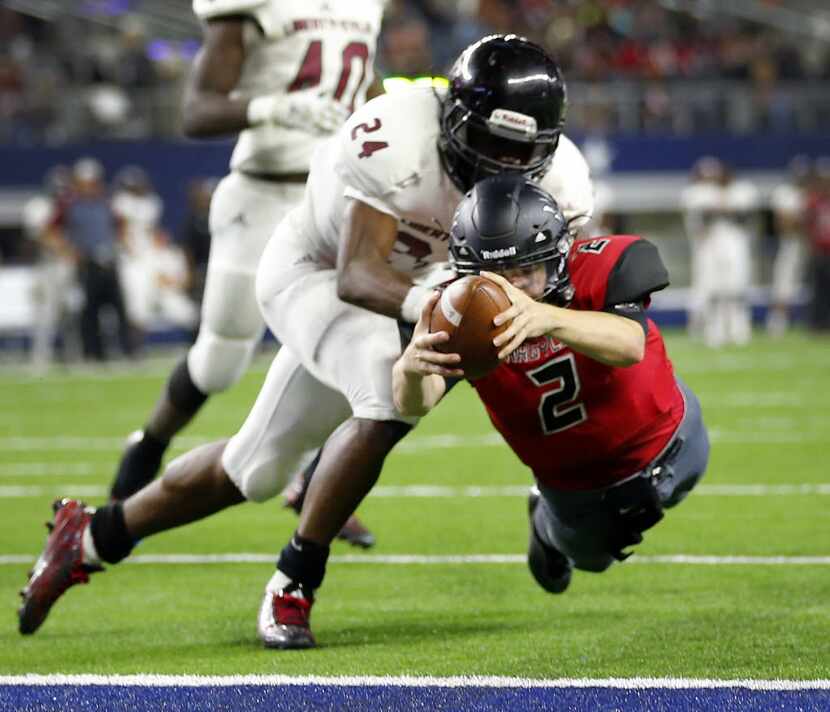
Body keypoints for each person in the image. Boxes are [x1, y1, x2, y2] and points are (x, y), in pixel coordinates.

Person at [18, 35, 594, 648]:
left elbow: (573, 277)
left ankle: (88, 538)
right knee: (387, 395)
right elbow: (358, 273)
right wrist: (438, 307)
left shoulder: (563, 178)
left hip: (412, 286)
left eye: (518, 153)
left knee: (256, 469)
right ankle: (295, 581)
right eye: (489, 144)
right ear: (453, 117)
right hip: (316, 276)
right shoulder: (396, 138)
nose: (500, 167)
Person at [106, 0, 384, 544]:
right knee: (220, 360)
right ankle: (149, 444)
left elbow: (359, 81)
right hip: (261, 194)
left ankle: (311, 481)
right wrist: (272, 109)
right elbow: (197, 111)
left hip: (333, 200)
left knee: (356, 349)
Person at [393, 175, 710, 594]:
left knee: (689, 476)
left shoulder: (604, 265)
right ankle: (543, 524)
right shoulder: (457, 310)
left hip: (672, 436)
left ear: (556, 256)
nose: (513, 287)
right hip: (574, 486)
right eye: (496, 274)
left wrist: (550, 319)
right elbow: (414, 403)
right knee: (586, 562)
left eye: (525, 269)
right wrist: (410, 370)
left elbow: (630, 344)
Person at [46, 158, 135, 362]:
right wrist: (67, 250)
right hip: (86, 263)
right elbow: (50, 231)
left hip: (109, 260)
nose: (89, 186)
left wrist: (118, 244)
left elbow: (121, 225)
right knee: (89, 311)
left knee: (118, 307)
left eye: (92, 181)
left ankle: (128, 351)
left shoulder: (106, 202)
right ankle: (93, 353)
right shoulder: (69, 205)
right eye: (85, 182)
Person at [767, 156, 811, 337]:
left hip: (810, 244)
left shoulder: (810, 193)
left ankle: (814, 321)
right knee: (783, 285)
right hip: (790, 243)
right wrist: (802, 220)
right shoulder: (784, 193)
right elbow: (783, 223)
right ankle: (777, 324)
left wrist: (800, 220)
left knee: (814, 285)